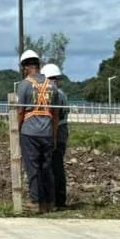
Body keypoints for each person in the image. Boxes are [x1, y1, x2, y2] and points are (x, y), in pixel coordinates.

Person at [14, 49, 61, 208]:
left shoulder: (24, 85)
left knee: (32, 167)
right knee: (46, 167)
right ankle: (50, 201)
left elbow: (20, 111)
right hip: (47, 132)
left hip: (29, 132)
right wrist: (54, 136)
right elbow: (55, 115)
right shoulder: (52, 87)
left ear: (25, 67)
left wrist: (17, 130)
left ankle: (36, 201)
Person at [42, 62, 69, 209]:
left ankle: (56, 200)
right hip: (62, 131)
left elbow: (54, 116)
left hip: (57, 132)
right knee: (57, 166)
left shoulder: (56, 95)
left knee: (54, 167)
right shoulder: (62, 93)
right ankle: (58, 199)